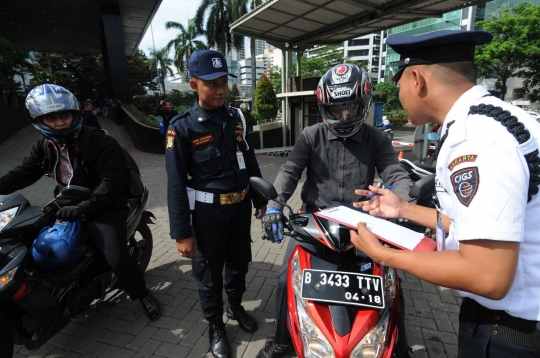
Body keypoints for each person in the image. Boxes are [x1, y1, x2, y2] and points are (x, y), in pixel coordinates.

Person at [350, 30, 540, 357]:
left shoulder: (475, 140)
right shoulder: (493, 120)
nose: (399, 95)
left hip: (510, 334)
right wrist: (404, 210)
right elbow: (475, 224)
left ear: (417, 80)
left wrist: (385, 255)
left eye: (398, 86)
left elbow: (488, 276)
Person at [257, 64, 414, 358]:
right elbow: (290, 172)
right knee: (284, 280)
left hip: (363, 225)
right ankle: (281, 340)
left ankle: (400, 347)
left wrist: (405, 205)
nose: (344, 116)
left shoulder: (376, 138)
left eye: (351, 108)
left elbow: (395, 172)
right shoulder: (309, 135)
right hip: (315, 223)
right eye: (337, 108)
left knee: (391, 282)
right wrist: (275, 206)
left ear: (363, 104)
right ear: (324, 106)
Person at [0, 84, 161, 321]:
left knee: (115, 255)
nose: (59, 123)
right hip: (68, 201)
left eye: (64, 115)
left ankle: (142, 293)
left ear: (74, 113)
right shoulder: (45, 146)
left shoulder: (98, 141)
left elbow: (110, 183)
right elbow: (23, 173)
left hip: (106, 204)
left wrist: (85, 208)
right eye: (51, 118)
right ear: (39, 120)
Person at [165, 50, 268, 358]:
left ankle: (235, 307)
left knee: (239, 264)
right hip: (207, 214)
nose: (221, 89)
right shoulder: (182, 127)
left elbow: (248, 159)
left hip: (238, 210)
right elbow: (174, 183)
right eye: (212, 84)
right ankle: (215, 325)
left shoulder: (235, 118)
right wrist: (182, 233)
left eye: (224, 82)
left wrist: (260, 197)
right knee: (209, 274)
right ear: (194, 84)